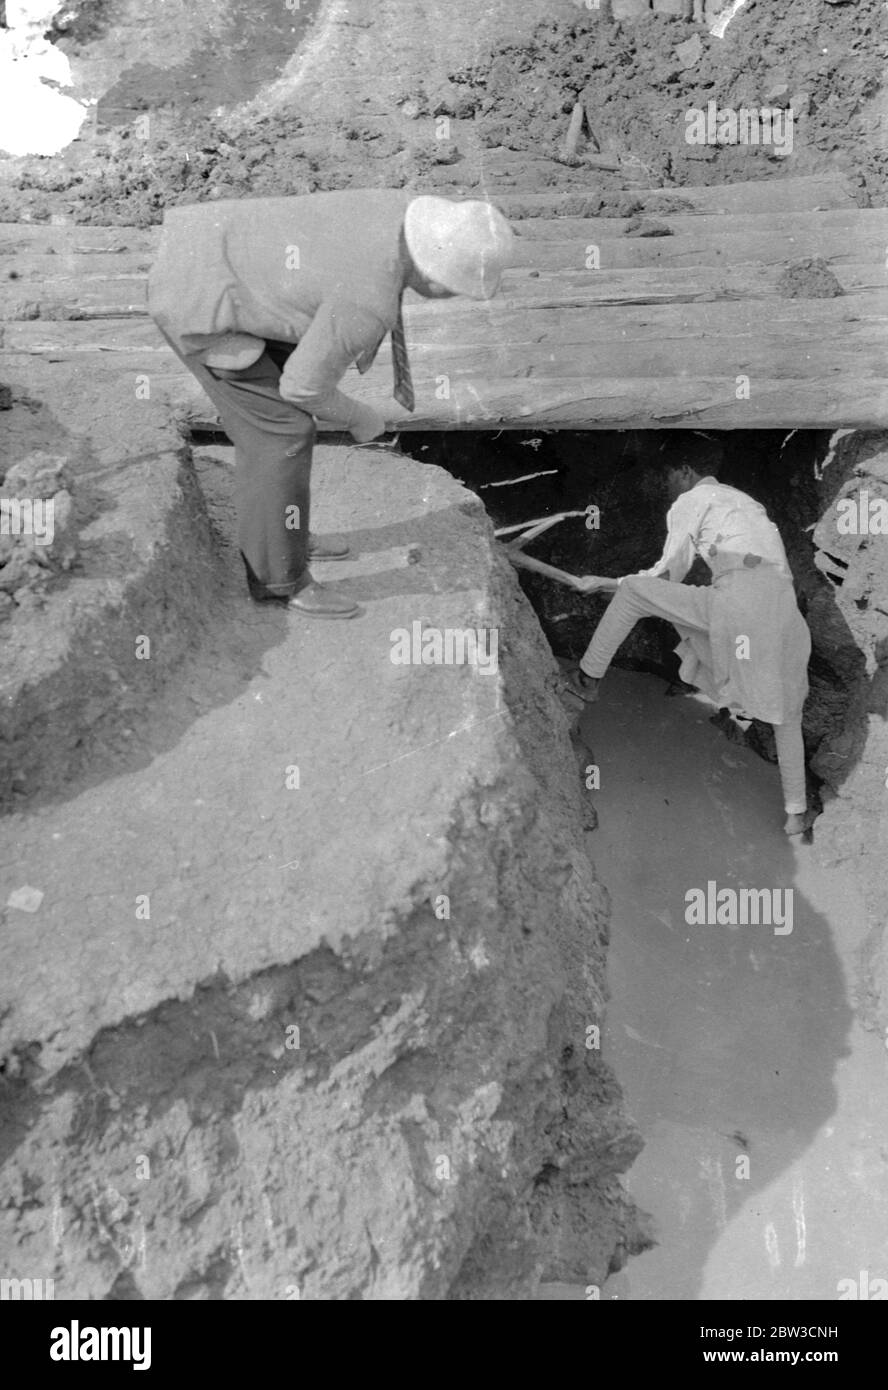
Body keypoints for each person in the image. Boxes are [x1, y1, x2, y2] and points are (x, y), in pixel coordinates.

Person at [148, 191, 515, 617]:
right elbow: (302, 388)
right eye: (457, 289)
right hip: (195, 296)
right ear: (436, 277)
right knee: (281, 433)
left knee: (287, 398)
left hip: (216, 252)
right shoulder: (366, 299)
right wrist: (359, 416)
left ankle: (286, 531)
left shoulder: (398, 210)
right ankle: (279, 580)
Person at [569, 437, 812, 835]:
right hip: (785, 617)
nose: (665, 484)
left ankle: (588, 677)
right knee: (788, 716)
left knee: (633, 593)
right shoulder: (745, 502)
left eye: (667, 474)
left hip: (738, 605)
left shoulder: (692, 501)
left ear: (684, 471)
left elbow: (666, 576)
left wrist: (611, 584)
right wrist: (613, 583)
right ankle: (796, 814)